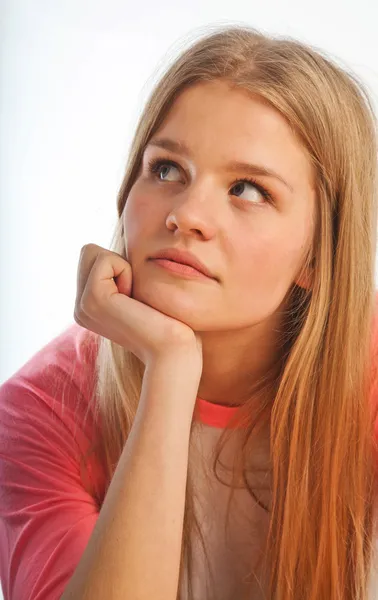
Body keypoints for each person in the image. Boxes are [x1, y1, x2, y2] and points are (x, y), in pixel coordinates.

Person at [1, 23, 378, 600]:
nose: (187, 215)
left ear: (318, 257)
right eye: (167, 169)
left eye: (248, 189)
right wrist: (171, 367)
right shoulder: (38, 411)